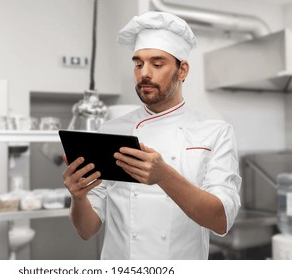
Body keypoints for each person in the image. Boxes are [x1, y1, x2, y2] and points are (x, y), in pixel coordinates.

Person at [62, 11, 241, 260]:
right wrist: (78, 197)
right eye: (138, 64)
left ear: (182, 70)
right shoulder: (111, 131)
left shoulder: (215, 132)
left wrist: (164, 176)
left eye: (157, 64)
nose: (144, 73)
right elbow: (86, 230)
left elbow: (221, 220)